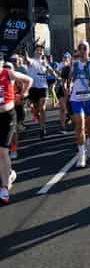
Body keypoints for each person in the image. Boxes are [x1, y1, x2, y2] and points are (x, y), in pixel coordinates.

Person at [0, 53, 33, 204]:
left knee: (3, 151)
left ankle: (5, 188)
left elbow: (29, 80)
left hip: (7, 116)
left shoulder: (8, 73)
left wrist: (23, 93)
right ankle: (10, 173)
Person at [68, 40, 90, 168]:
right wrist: (67, 84)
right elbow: (69, 78)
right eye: (80, 48)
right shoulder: (74, 64)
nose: (82, 50)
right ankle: (81, 154)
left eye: (84, 48)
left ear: (88, 50)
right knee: (79, 125)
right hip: (76, 98)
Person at [26, 43, 57, 139]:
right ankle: (39, 120)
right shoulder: (31, 61)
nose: (40, 52)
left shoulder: (45, 62)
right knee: (36, 110)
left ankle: (42, 128)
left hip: (43, 86)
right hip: (33, 87)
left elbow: (52, 71)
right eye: (38, 50)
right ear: (34, 51)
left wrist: (50, 69)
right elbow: (26, 59)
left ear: (43, 52)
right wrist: (24, 51)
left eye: (41, 50)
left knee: (42, 108)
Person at [56, 52, 72, 134]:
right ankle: (63, 127)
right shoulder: (60, 65)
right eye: (64, 57)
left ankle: (69, 117)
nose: (65, 58)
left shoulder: (73, 67)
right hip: (61, 88)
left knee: (69, 109)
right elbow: (57, 74)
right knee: (63, 108)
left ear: (70, 58)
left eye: (67, 57)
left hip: (71, 90)